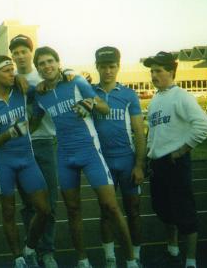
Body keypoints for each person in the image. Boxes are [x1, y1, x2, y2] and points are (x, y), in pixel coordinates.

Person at [31, 46, 138, 268]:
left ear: (58, 62)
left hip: (90, 153)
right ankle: (83, 260)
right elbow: (33, 123)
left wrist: (91, 103)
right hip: (65, 156)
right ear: (38, 69)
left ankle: (130, 260)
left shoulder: (76, 81)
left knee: (110, 206)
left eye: (50, 61)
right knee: (72, 209)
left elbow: (105, 108)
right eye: (41, 64)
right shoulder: (39, 94)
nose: (47, 66)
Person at [0, 55, 50, 268]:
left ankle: (29, 249)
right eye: (7, 70)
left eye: (13, 69)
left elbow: (44, 92)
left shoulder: (21, 90)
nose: (13, 73)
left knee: (44, 210)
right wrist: (11, 132)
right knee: (8, 211)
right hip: (4, 162)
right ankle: (18, 256)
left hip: (27, 158)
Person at [143, 51, 207, 268]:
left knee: (184, 212)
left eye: (158, 71)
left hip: (175, 163)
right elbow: (153, 134)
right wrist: (147, 156)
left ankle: (191, 261)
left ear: (171, 72)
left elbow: (203, 125)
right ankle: (172, 251)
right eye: (152, 71)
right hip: (158, 164)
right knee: (164, 209)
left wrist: (182, 150)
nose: (154, 75)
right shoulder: (155, 99)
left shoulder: (181, 96)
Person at [92, 47, 146, 267]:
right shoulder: (89, 92)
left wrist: (139, 165)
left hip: (126, 160)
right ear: (97, 67)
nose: (107, 71)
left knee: (133, 210)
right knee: (106, 211)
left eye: (112, 66)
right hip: (102, 162)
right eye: (103, 66)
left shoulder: (128, 94)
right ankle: (110, 257)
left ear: (118, 67)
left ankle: (136, 255)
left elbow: (139, 132)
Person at [8, 34, 58, 268]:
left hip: (43, 141)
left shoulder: (43, 73)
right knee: (29, 203)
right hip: (19, 146)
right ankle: (31, 248)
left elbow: (67, 77)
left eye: (23, 51)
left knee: (49, 202)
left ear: (31, 52)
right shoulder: (9, 77)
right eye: (15, 52)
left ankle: (47, 251)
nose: (19, 56)